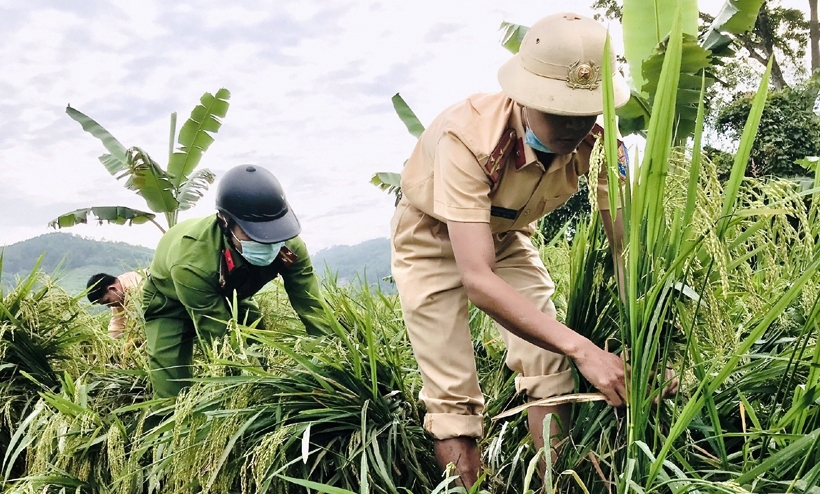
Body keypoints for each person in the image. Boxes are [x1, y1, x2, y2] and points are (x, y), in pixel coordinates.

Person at [390, 12, 675, 488]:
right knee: (453, 395)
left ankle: (552, 483)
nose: (572, 126)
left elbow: (624, 246)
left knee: (549, 365)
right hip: (431, 235)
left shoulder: (604, 146)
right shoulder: (470, 138)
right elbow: (478, 280)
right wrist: (585, 349)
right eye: (558, 111)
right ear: (525, 96)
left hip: (505, 234)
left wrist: (647, 344)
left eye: (583, 113)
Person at [142, 164, 328, 399]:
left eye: (274, 230)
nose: (268, 242)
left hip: (230, 293)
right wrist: (246, 389)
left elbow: (312, 306)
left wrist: (332, 358)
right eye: (253, 233)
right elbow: (220, 338)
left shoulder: (289, 246)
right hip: (169, 301)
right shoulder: (192, 261)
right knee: (171, 382)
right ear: (225, 221)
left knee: (256, 342)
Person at [87, 271, 144, 339]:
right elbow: (117, 324)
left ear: (112, 289)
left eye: (107, 301)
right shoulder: (119, 294)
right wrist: (110, 344)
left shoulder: (139, 286)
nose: (109, 306)